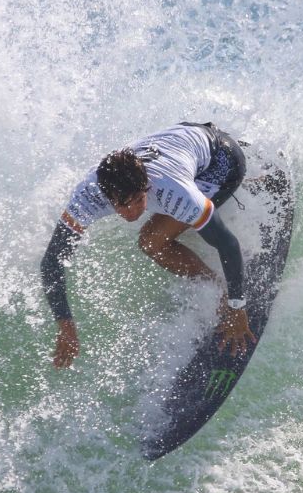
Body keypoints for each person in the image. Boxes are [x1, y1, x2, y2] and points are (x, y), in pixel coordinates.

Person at [40, 122, 256, 368]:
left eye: (138, 200)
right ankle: (214, 282)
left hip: (221, 161)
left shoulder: (175, 192)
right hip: (186, 143)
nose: (131, 211)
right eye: (122, 205)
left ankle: (249, 187)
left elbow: (228, 244)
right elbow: (51, 262)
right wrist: (66, 326)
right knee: (150, 241)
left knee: (152, 241)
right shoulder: (89, 194)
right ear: (106, 196)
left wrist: (237, 307)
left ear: (147, 187)